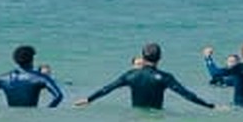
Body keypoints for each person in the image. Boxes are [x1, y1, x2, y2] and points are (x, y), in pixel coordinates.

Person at [77, 43, 215, 110]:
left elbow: (108, 88)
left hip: (136, 118)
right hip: (157, 119)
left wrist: (89, 99)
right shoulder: (165, 77)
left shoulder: (130, 75)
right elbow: (187, 95)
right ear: (160, 57)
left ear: (142, 57)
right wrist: (209, 106)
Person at [0, 45, 65, 108]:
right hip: (31, 117)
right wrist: (46, 112)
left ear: (15, 60)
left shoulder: (3, 78)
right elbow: (58, 96)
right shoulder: (40, 78)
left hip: (10, 118)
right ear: (32, 59)